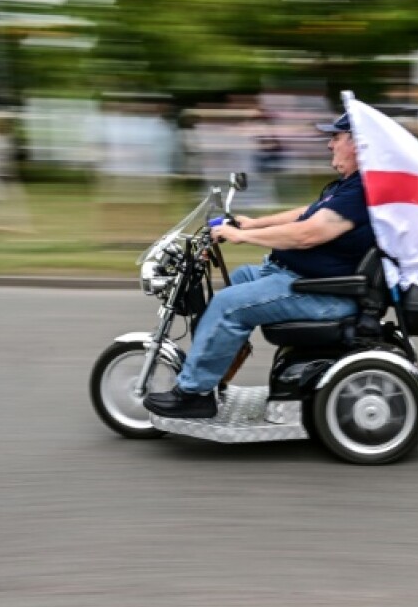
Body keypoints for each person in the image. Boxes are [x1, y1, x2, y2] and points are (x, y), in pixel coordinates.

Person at [144, 112, 376, 419]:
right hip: (301, 277)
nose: (330, 144)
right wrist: (253, 224)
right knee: (240, 279)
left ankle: (194, 394)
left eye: (336, 137)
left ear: (357, 145)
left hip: (325, 293)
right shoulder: (347, 186)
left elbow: (308, 233)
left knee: (228, 305)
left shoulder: (361, 191)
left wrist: (242, 237)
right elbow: (306, 213)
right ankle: (218, 369)